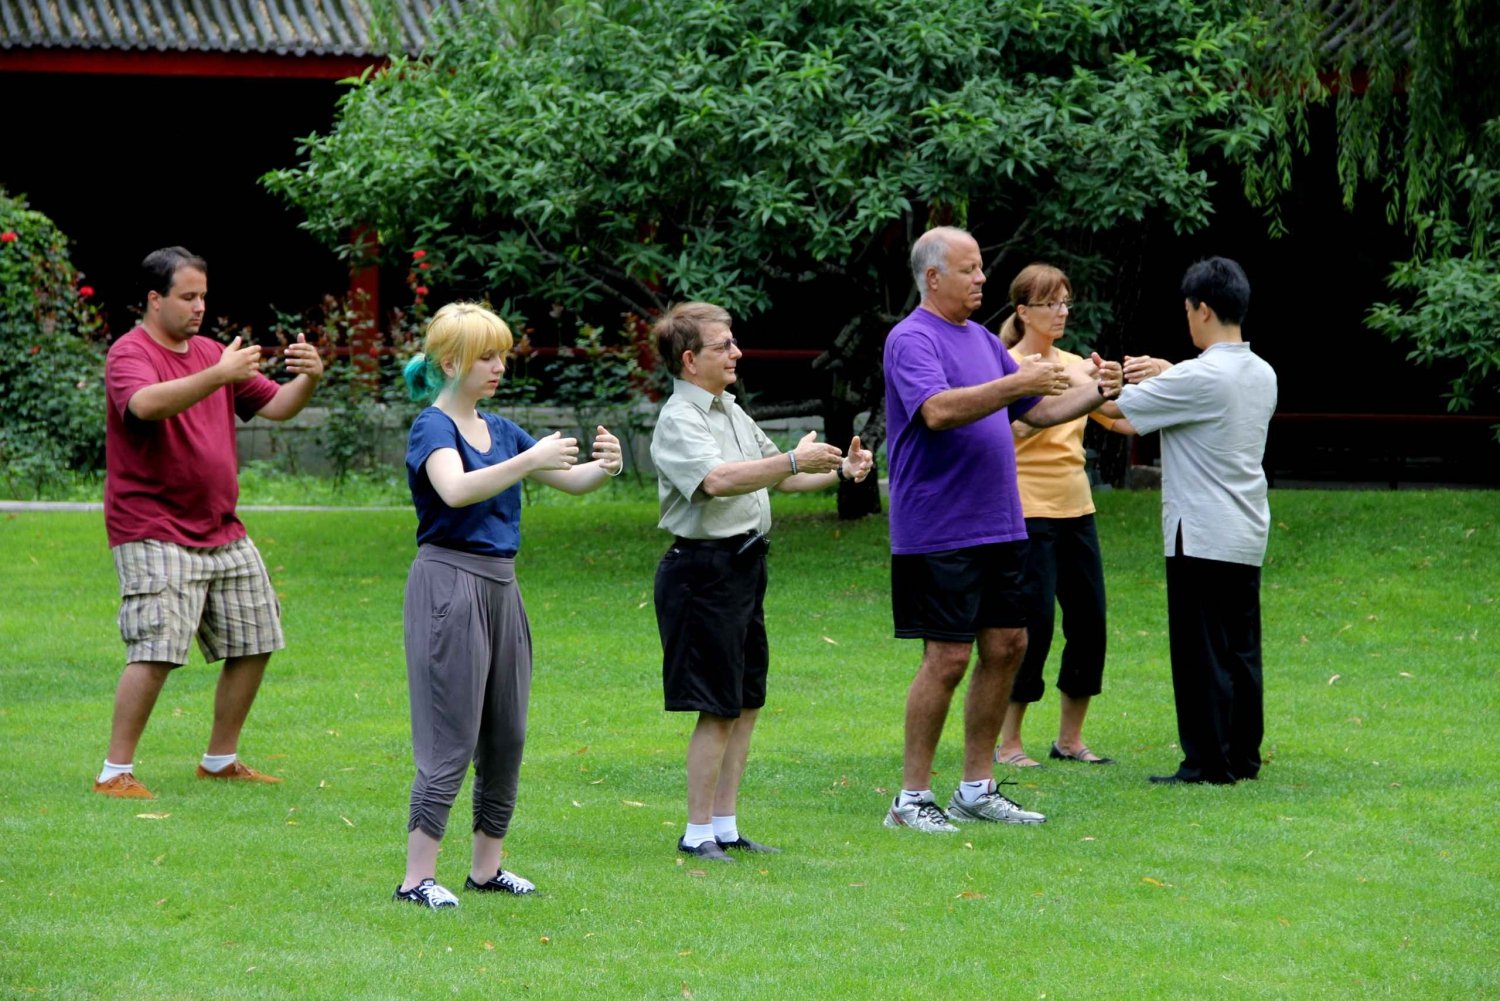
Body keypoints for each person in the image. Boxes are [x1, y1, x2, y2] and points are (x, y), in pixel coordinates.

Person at [881, 227, 1123, 834]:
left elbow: (1038, 413)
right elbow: (936, 410)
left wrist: (1101, 389)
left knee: (1009, 647)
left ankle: (975, 787)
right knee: (947, 657)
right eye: (970, 270)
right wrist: (1017, 381)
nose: (982, 279)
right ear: (934, 277)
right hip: (939, 526)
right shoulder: (909, 339)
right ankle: (911, 798)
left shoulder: (985, 342)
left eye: (982, 268)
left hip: (1001, 522)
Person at [394, 301, 623, 908]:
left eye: (502, 355)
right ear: (451, 362)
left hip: (501, 584)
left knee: (507, 731)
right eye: (486, 356)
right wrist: (529, 460)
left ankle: (485, 870)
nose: (499, 366)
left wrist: (606, 467)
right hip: (448, 582)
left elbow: (571, 481)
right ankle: (416, 879)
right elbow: (456, 488)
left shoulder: (500, 428)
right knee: (452, 733)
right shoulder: (432, 427)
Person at [95, 246, 324, 800]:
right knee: (155, 649)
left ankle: (220, 759)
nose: (199, 307)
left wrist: (310, 379)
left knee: (256, 638)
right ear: (154, 299)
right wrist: (216, 372)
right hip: (152, 525)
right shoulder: (131, 353)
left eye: (203, 296)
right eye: (187, 296)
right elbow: (146, 405)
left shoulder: (215, 353)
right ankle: (114, 772)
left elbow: (277, 407)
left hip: (221, 527)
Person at [650, 301, 874, 862]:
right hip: (701, 573)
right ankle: (696, 832)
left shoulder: (728, 408)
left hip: (744, 568)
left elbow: (778, 474)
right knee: (717, 705)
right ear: (689, 359)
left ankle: (724, 826)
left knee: (745, 701)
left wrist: (837, 471)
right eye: (724, 346)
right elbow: (720, 479)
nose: (737, 353)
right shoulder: (680, 419)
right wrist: (794, 464)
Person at [1114, 257, 1276, 785]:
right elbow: (1194, 391)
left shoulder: (1199, 376)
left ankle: (1207, 761)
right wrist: (1167, 371)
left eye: (1188, 309)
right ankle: (1241, 756)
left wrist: (1085, 382)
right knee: (1240, 650)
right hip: (1246, 528)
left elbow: (1118, 415)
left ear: (1202, 309)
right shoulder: (1261, 372)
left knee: (1200, 652)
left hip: (1200, 531)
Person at [993, 263, 1149, 768]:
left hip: (1077, 507)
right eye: (1050, 303)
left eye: (1066, 302)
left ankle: (1069, 740)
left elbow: (1122, 423)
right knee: (1032, 626)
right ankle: (1009, 742)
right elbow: (1010, 432)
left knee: (1089, 622)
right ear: (1023, 311)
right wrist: (1050, 394)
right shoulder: (1005, 366)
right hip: (1025, 510)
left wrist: (1115, 385)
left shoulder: (1078, 364)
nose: (1061, 312)